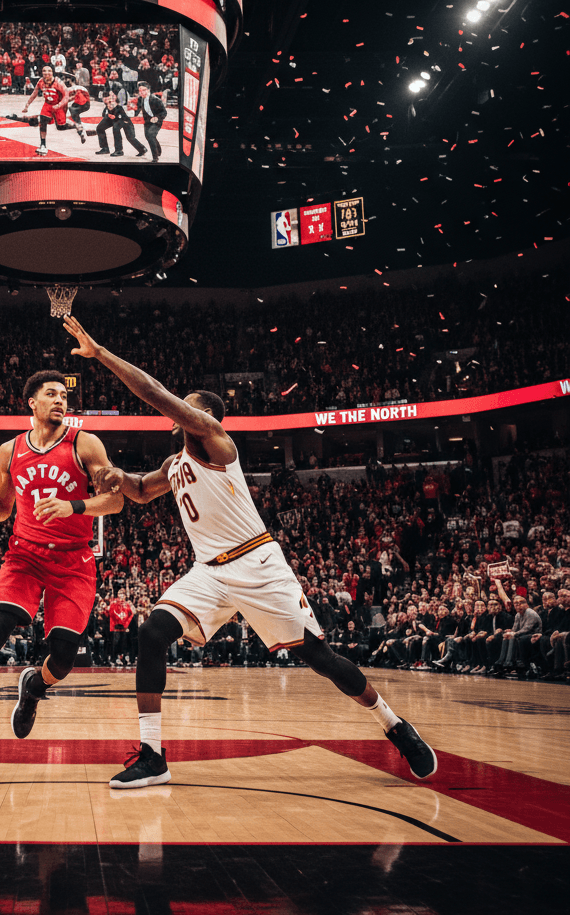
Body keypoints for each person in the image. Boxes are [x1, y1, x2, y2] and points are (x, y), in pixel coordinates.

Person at [60, 315, 437, 787]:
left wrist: (100, 354)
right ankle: (153, 756)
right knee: (152, 632)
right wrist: (116, 476)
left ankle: (392, 723)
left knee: (319, 657)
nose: (179, 411)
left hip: (256, 563)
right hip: (208, 571)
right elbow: (138, 490)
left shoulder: (216, 443)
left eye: (187, 407)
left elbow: (155, 393)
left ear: (204, 416)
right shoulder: (174, 462)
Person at [0, 369, 124, 775]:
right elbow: (0, 509)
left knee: (63, 658)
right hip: (25, 556)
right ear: (32, 402)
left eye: (63, 395)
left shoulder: (85, 443)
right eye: (51, 394)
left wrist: (74, 506)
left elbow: (115, 501)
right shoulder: (9, 451)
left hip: (73, 561)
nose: (60, 400)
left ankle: (34, 687)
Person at [22, 64, 69, 156]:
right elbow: (34, 93)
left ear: (52, 72)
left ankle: (78, 126)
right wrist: (27, 105)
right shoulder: (40, 81)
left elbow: (66, 96)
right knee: (42, 121)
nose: (46, 73)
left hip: (58, 104)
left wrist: (59, 105)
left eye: (49, 70)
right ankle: (43, 145)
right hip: (48, 104)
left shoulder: (58, 82)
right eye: (44, 71)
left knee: (61, 127)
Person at [94, 93, 147, 158]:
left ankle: (120, 150)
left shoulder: (121, 103)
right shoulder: (108, 101)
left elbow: (127, 114)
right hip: (112, 117)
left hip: (123, 118)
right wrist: (108, 114)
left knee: (128, 136)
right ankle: (105, 148)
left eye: (110, 102)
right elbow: (104, 112)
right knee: (100, 128)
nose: (108, 104)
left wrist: (115, 114)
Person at [133, 83, 167, 162]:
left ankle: (155, 157)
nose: (141, 92)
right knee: (148, 136)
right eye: (140, 90)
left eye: (143, 90)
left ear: (148, 90)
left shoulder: (156, 100)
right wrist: (131, 114)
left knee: (151, 135)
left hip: (157, 121)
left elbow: (164, 112)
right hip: (147, 121)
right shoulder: (140, 99)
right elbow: (138, 109)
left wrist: (157, 118)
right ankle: (158, 150)